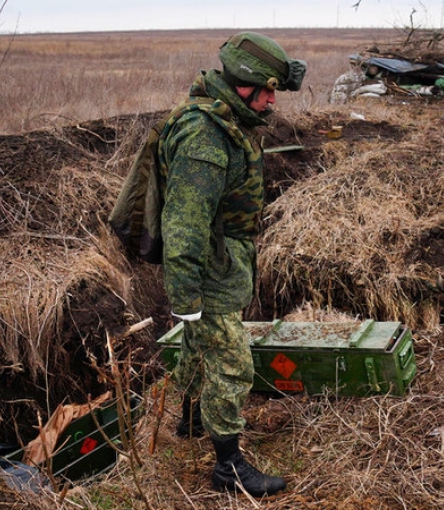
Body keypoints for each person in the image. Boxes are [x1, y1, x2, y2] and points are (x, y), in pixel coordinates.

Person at [160, 32, 306, 498]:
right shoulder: (205, 137)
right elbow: (183, 227)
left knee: (198, 348)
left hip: (223, 264)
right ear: (240, 82)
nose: (270, 100)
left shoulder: (227, 120)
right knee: (232, 363)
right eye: (264, 89)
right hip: (207, 269)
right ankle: (228, 468)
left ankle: (188, 422)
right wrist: (186, 300)